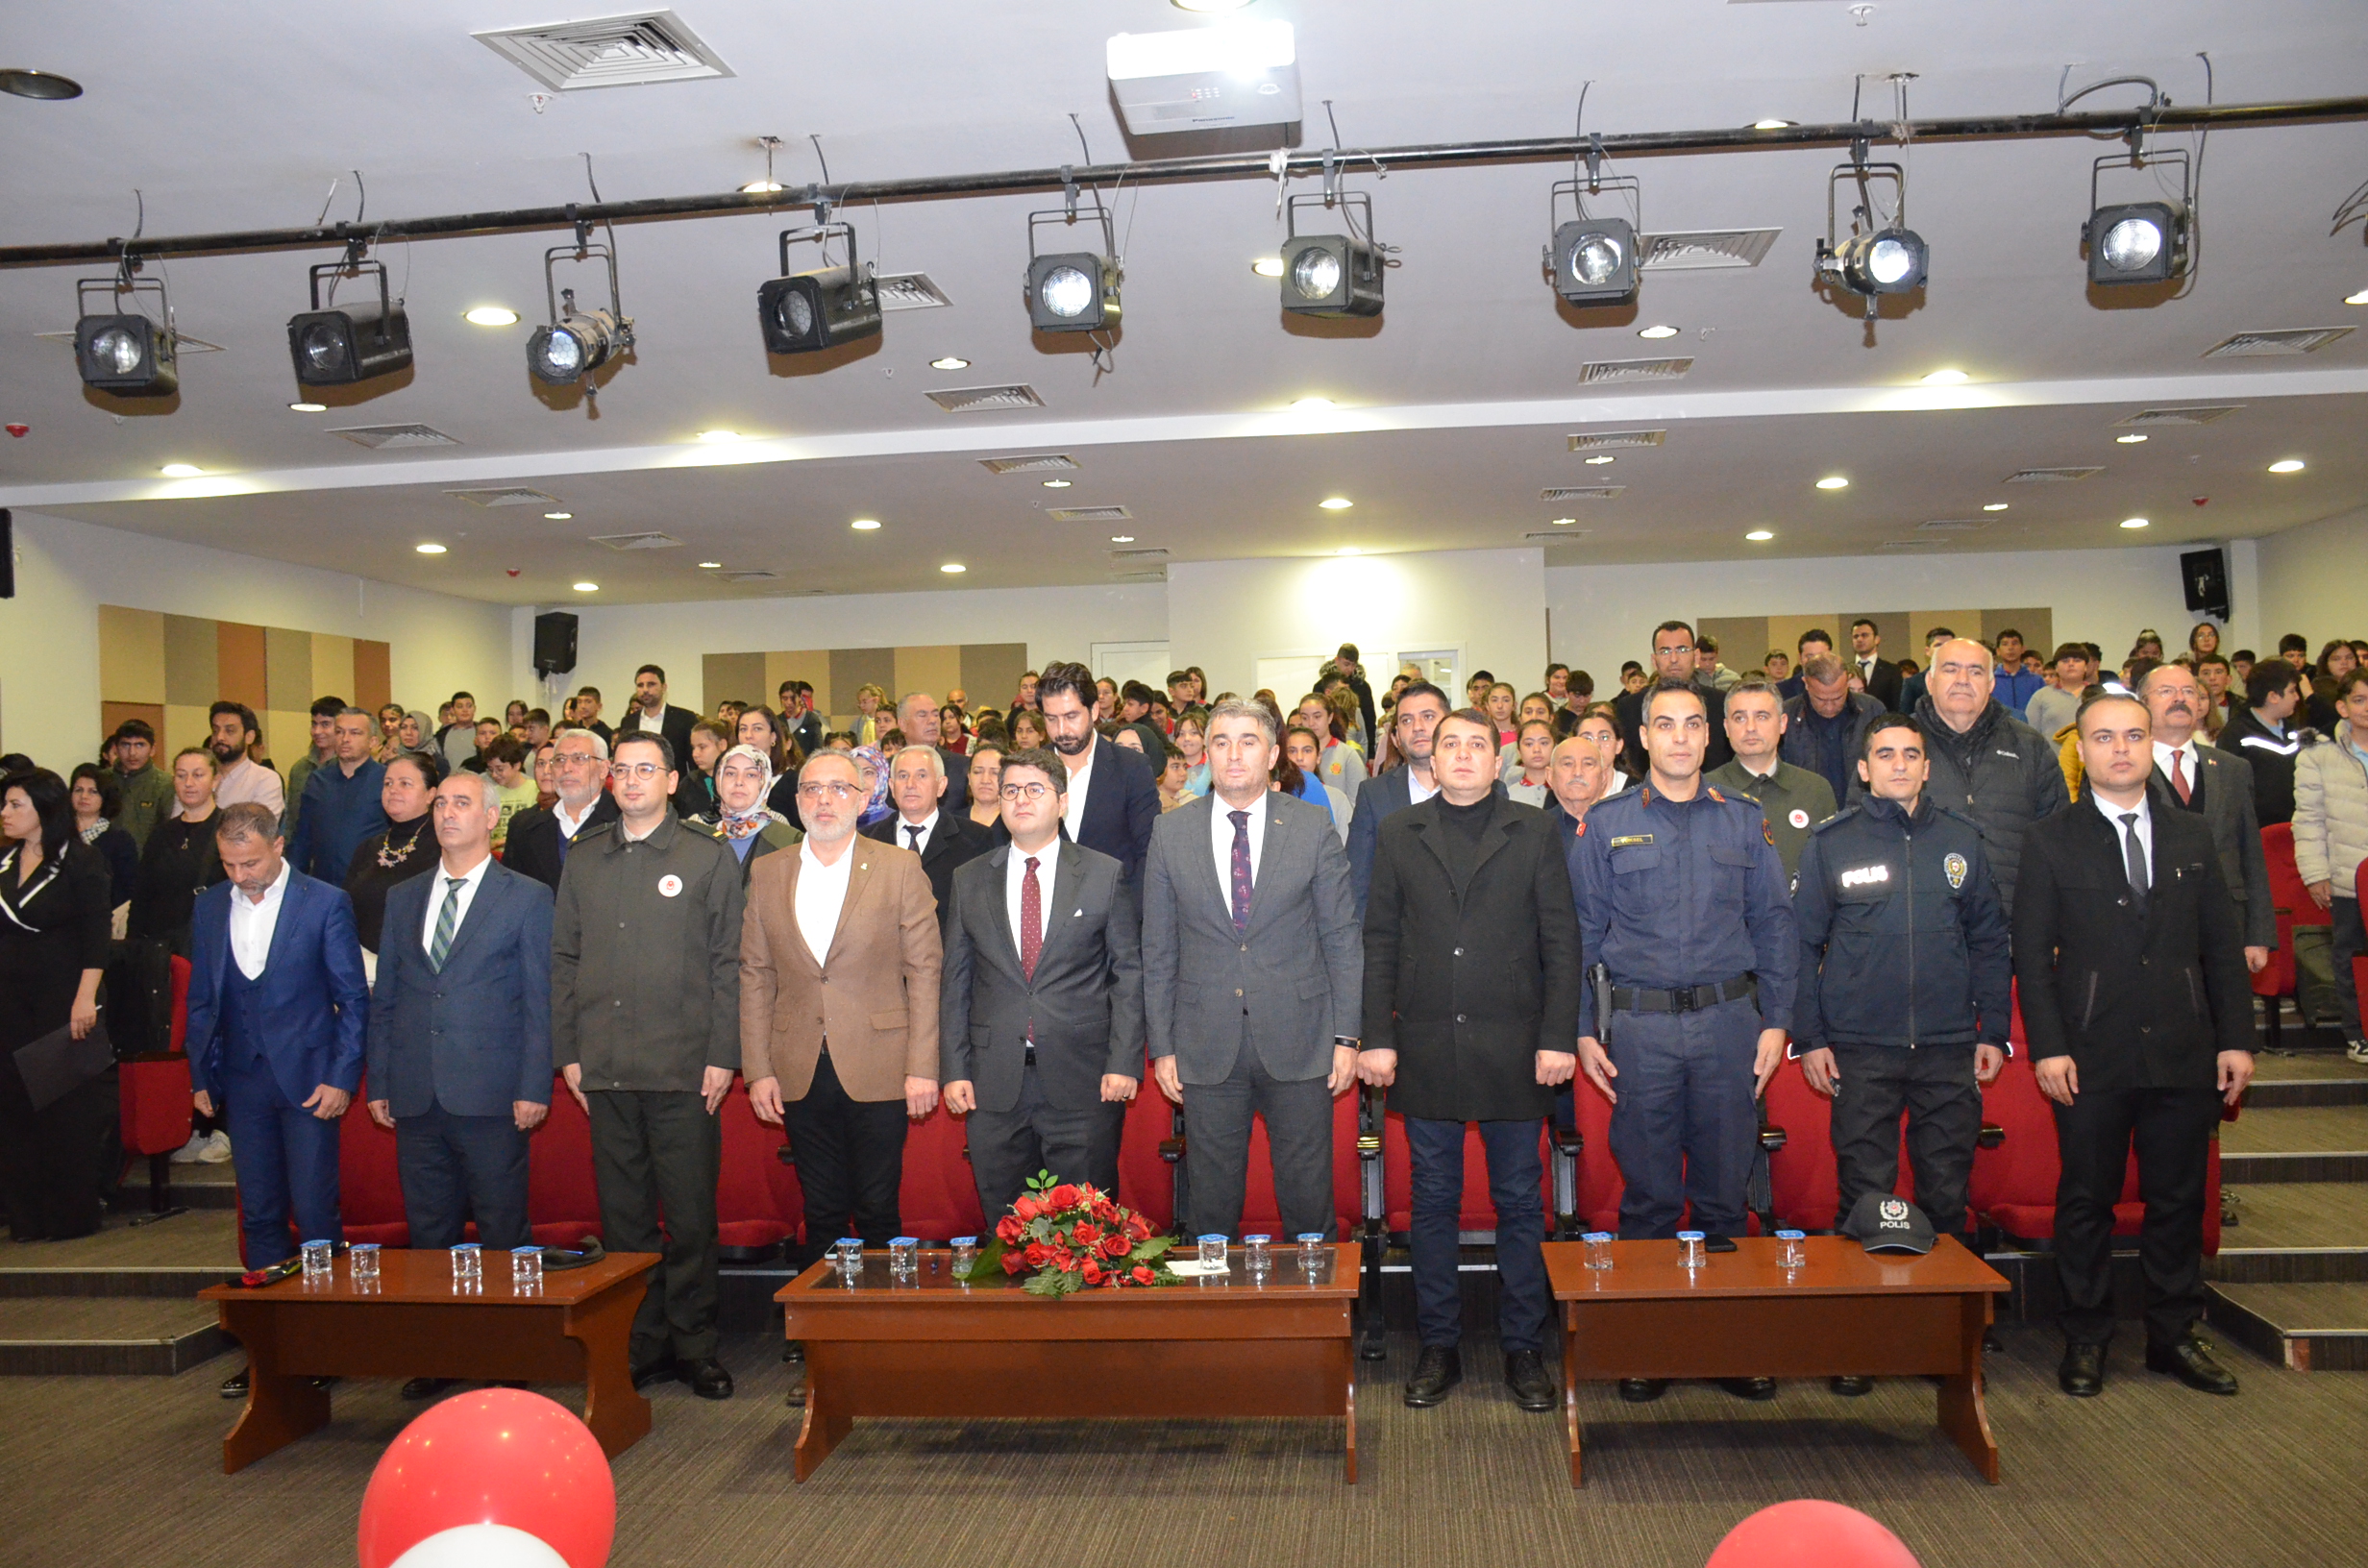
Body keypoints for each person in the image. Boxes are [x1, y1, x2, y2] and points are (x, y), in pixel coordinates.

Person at [2014, 691, 2256, 1399]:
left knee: (2178, 1199)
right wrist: (2048, 1047)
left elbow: (2221, 946)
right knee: (2086, 1199)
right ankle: (2086, 1336)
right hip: (2090, 1051)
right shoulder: (2050, 838)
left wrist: (2236, 1039)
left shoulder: (2191, 834)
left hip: (2184, 1048)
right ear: (2081, 751)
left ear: (2152, 744)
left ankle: (2173, 1335)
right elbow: (2031, 957)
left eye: (2133, 736)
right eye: (2104, 737)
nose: (2120, 749)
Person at [1570, 678, 1796, 1405]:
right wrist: (1581, 1028)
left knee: (1727, 1193)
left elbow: (1775, 926)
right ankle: (1648, 1346)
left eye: (1692, 724)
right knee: (1649, 1197)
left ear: (1709, 735)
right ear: (1642, 738)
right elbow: (1581, 936)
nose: (1679, 737)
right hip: (1641, 1030)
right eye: (1664, 725)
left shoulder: (1744, 820)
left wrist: (1776, 1020)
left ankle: (1729, 1346)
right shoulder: (1606, 825)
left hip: (1730, 1025)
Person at [1358, 707, 1578, 1412]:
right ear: (1430, 756)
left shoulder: (1535, 829)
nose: (1460, 754)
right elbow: (1379, 939)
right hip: (1425, 1042)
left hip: (1516, 1045)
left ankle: (1523, 1345)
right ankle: (1439, 1344)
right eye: (1449, 743)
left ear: (1497, 760)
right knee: (1432, 1201)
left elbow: (1562, 941)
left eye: (1475, 744)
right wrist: (1375, 1035)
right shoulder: (1399, 831)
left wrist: (1558, 1036)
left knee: (1519, 1199)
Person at [1790, 714, 2011, 1395]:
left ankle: (1945, 1342)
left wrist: (1993, 1030)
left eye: (1910, 754)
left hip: (1948, 1046)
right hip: (1862, 1047)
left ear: (1925, 767)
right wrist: (1811, 1038)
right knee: (1866, 1196)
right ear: (1864, 769)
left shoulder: (1963, 840)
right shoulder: (1832, 843)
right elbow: (1801, 947)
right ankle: (1860, 1340)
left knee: (1946, 1195)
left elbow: (1989, 941)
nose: (1898, 764)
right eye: (1884, 754)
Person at [552, 731, 743, 1401]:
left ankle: (695, 1346)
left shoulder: (706, 856)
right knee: (625, 1223)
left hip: (685, 1068)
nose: (632, 781)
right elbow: (564, 960)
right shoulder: (585, 858)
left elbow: (729, 963)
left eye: (646, 769)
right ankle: (642, 1343)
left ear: (671, 781)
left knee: (689, 1220)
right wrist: (568, 1051)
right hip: (605, 1066)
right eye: (622, 770)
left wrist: (723, 1054)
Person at [1144, 699, 1363, 1244]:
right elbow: (1159, 948)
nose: (1234, 754)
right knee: (1211, 1209)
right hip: (1205, 1043)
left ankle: (1314, 1300)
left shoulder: (1311, 825)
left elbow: (1341, 936)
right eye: (1221, 742)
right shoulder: (1171, 831)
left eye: (1248, 741)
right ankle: (1215, 1299)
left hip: (1301, 1038)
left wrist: (1346, 1037)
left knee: (1308, 1202)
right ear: (1206, 755)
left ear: (1271, 755)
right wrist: (1163, 1046)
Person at [366, 772, 554, 1398]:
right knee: (430, 1234)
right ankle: (441, 1352)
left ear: (491, 817)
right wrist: (380, 1078)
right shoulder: (404, 896)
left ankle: (512, 1354)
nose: (448, 813)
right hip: (416, 1091)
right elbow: (387, 998)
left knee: (503, 1230)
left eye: (462, 803)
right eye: (441, 802)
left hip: (493, 1093)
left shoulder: (526, 897)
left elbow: (539, 999)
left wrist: (534, 1085)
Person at [185, 800, 366, 1397]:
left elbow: (352, 999)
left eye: (251, 863)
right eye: (229, 864)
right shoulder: (210, 906)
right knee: (260, 1215)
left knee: (314, 1214)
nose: (241, 875)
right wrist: (199, 1074)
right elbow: (203, 1000)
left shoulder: (324, 902)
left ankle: (323, 1344)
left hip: (310, 1081)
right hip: (242, 1081)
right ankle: (269, 1351)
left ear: (279, 846)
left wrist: (342, 1077)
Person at [741, 747, 940, 1263]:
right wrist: (758, 1070)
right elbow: (756, 974)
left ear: (863, 798)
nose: (824, 799)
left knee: (877, 1208)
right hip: (798, 1063)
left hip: (881, 1062)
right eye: (812, 789)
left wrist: (922, 1066)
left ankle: (883, 1316)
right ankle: (820, 1316)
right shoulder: (768, 871)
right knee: (822, 1210)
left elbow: (924, 971)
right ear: (797, 800)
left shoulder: (899, 867)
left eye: (838, 788)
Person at [941, 747, 1143, 1215]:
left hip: (1084, 1078)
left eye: (1035, 789)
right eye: (1010, 790)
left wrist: (1124, 1061)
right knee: (1006, 1226)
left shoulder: (1102, 873)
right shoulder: (970, 879)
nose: (1021, 799)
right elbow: (956, 981)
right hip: (994, 1081)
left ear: (1062, 802)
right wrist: (954, 1068)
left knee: (1086, 1228)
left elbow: (1127, 975)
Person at [0, 771, 115, 1242]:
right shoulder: (5, 861)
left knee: (63, 1111)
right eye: (5, 804)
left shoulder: (82, 861)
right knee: (15, 1108)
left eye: (15, 805)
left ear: (44, 810)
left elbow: (96, 936)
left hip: (63, 999)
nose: (5, 813)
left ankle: (70, 1216)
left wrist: (86, 998)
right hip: (11, 1001)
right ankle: (26, 1217)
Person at [1906, 639, 2067, 915]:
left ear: (1991, 684)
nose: (1963, 680)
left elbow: (2060, 840)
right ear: (1930, 682)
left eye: (1976, 671)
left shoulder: (2029, 745)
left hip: (2013, 920)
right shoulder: (1895, 747)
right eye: (1951, 669)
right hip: (1921, 921)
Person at [2140, 662, 2274, 985]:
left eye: (2189, 691)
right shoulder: (2126, 769)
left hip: (2226, 926)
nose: (2180, 698)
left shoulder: (2232, 769)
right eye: (2167, 691)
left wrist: (2258, 934)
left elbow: (2251, 855)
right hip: (2151, 929)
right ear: (2142, 703)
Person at [2293, 668, 2368, 1061]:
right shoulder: (2317, 756)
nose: (2367, 708)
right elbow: (2308, 819)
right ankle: (2358, 1033)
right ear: (2342, 707)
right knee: (2351, 955)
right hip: (2347, 874)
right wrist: (2315, 873)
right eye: (2359, 700)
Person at [1036, 661, 1161, 885]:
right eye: (1051, 719)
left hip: (1115, 902)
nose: (1061, 730)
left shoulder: (1132, 767)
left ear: (1094, 710)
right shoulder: (1029, 770)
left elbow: (1149, 851)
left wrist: (1128, 906)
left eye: (1071, 716)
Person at [1709, 677, 1838, 882]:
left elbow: (1832, 871)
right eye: (1739, 718)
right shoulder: (1704, 792)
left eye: (1762, 716)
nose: (1750, 727)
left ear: (1782, 723)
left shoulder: (1815, 790)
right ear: (1726, 727)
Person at [1345, 680, 1452, 914]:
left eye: (1428, 716)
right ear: (1395, 738)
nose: (1417, 727)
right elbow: (1358, 882)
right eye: (1406, 720)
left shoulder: (1484, 789)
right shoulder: (1374, 795)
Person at [862, 744, 993, 922]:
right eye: (903, 776)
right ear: (891, 786)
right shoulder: (866, 840)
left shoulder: (976, 840)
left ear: (941, 786)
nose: (910, 784)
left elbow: (982, 914)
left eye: (921, 776)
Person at [344, 752, 440, 960]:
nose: (393, 790)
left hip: (416, 964)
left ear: (430, 794)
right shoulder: (368, 847)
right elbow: (345, 909)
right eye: (388, 783)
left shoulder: (443, 848)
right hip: (363, 959)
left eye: (405, 784)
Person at [504, 730, 621, 894]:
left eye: (579, 759)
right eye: (559, 760)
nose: (566, 768)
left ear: (604, 769)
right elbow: (511, 893)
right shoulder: (524, 826)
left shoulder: (625, 822)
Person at [1614, 622, 1733, 775]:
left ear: (1696, 656)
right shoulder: (1629, 707)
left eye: (1682, 650)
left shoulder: (1721, 703)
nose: (1674, 659)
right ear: (1654, 660)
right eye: (1665, 651)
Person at [288, 708, 387, 884]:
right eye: (339, 732)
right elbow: (302, 838)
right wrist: (292, 882)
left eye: (355, 733)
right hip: (323, 885)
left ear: (372, 741)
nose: (345, 739)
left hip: (371, 885)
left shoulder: (387, 781)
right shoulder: (318, 780)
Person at [1781, 654, 1884, 809]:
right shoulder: (1785, 717)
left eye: (1838, 698)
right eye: (1821, 699)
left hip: (1862, 813)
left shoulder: (1872, 711)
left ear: (1847, 681)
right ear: (1806, 684)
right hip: (1803, 813)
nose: (1829, 707)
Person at [2216, 659, 2305, 826]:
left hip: (2297, 824)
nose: (2297, 697)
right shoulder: (2236, 733)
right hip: (2257, 828)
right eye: (2292, 691)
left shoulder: (2295, 730)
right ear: (2273, 697)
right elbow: (2227, 789)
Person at [699, 745, 802, 885]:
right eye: (730, 773)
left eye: (750, 775)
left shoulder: (789, 840)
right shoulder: (701, 838)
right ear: (719, 780)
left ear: (764, 783)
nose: (739, 782)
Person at [194, 702, 285, 819]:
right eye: (215, 730)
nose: (219, 737)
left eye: (230, 731)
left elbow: (258, 828)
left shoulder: (265, 779)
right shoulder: (195, 778)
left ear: (249, 737)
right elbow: (179, 822)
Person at [67, 764, 138, 912]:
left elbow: (127, 889)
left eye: (93, 791)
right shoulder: (58, 834)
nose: (84, 796)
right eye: (78, 790)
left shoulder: (120, 840)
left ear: (104, 797)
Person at [283, 696, 347, 846]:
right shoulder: (300, 768)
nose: (317, 731)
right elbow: (290, 818)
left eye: (325, 724)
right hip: (300, 849)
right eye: (314, 724)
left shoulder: (348, 767)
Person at [104, 720, 172, 850]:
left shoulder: (165, 784)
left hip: (148, 859)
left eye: (140, 745)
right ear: (116, 748)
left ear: (152, 750)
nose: (132, 753)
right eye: (125, 745)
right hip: (104, 858)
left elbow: (169, 832)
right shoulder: (102, 779)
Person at [622, 665, 701, 763]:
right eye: (640, 685)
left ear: (664, 687)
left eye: (651, 684)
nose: (645, 690)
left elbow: (694, 761)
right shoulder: (628, 722)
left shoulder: (685, 719)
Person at [480, 738, 538, 852]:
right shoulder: (490, 793)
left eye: (500, 769)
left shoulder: (535, 790)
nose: (494, 775)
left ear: (516, 765)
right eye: (491, 770)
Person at [2025, 643, 2091, 744]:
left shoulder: (2098, 695)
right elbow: (2029, 735)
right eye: (2065, 661)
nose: (2071, 664)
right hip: (2051, 754)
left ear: (2086, 666)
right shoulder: (2041, 696)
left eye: (2077, 660)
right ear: (2056, 668)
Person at [1847, 618, 1904, 711]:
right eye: (1855, 636)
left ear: (1877, 639)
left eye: (1864, 635)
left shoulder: (1892, 671)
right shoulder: (1844, 671)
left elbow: (1897, 706)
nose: (1859, 639)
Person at [1503, 718, 1555, 808]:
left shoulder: (1567, 792)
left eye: (1544, 743)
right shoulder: (1508, 797)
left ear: (1555, 748)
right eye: (1529, 744)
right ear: (1519, 751)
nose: (1537, 749)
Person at [1990, 630, 2044, 716]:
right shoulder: (1990, 681)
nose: (2010, 648)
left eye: (2015, 643)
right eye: (2005, 644)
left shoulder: (2037, 681)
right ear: (1998, 651)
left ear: (2023, 649)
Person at [435, 693, 481, 775]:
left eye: (469, 706)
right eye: (460, 707)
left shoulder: (483, 732)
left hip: (478, 781)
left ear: (474, 708)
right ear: (453, 710)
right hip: (449, 781)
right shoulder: (442, 735)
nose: (465, 710)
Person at [964, 744, 1007, 831]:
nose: (985, 780)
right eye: (977, 772)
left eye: (995, 773)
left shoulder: (1015, 825)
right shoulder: (951, 822)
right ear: (969, 778)